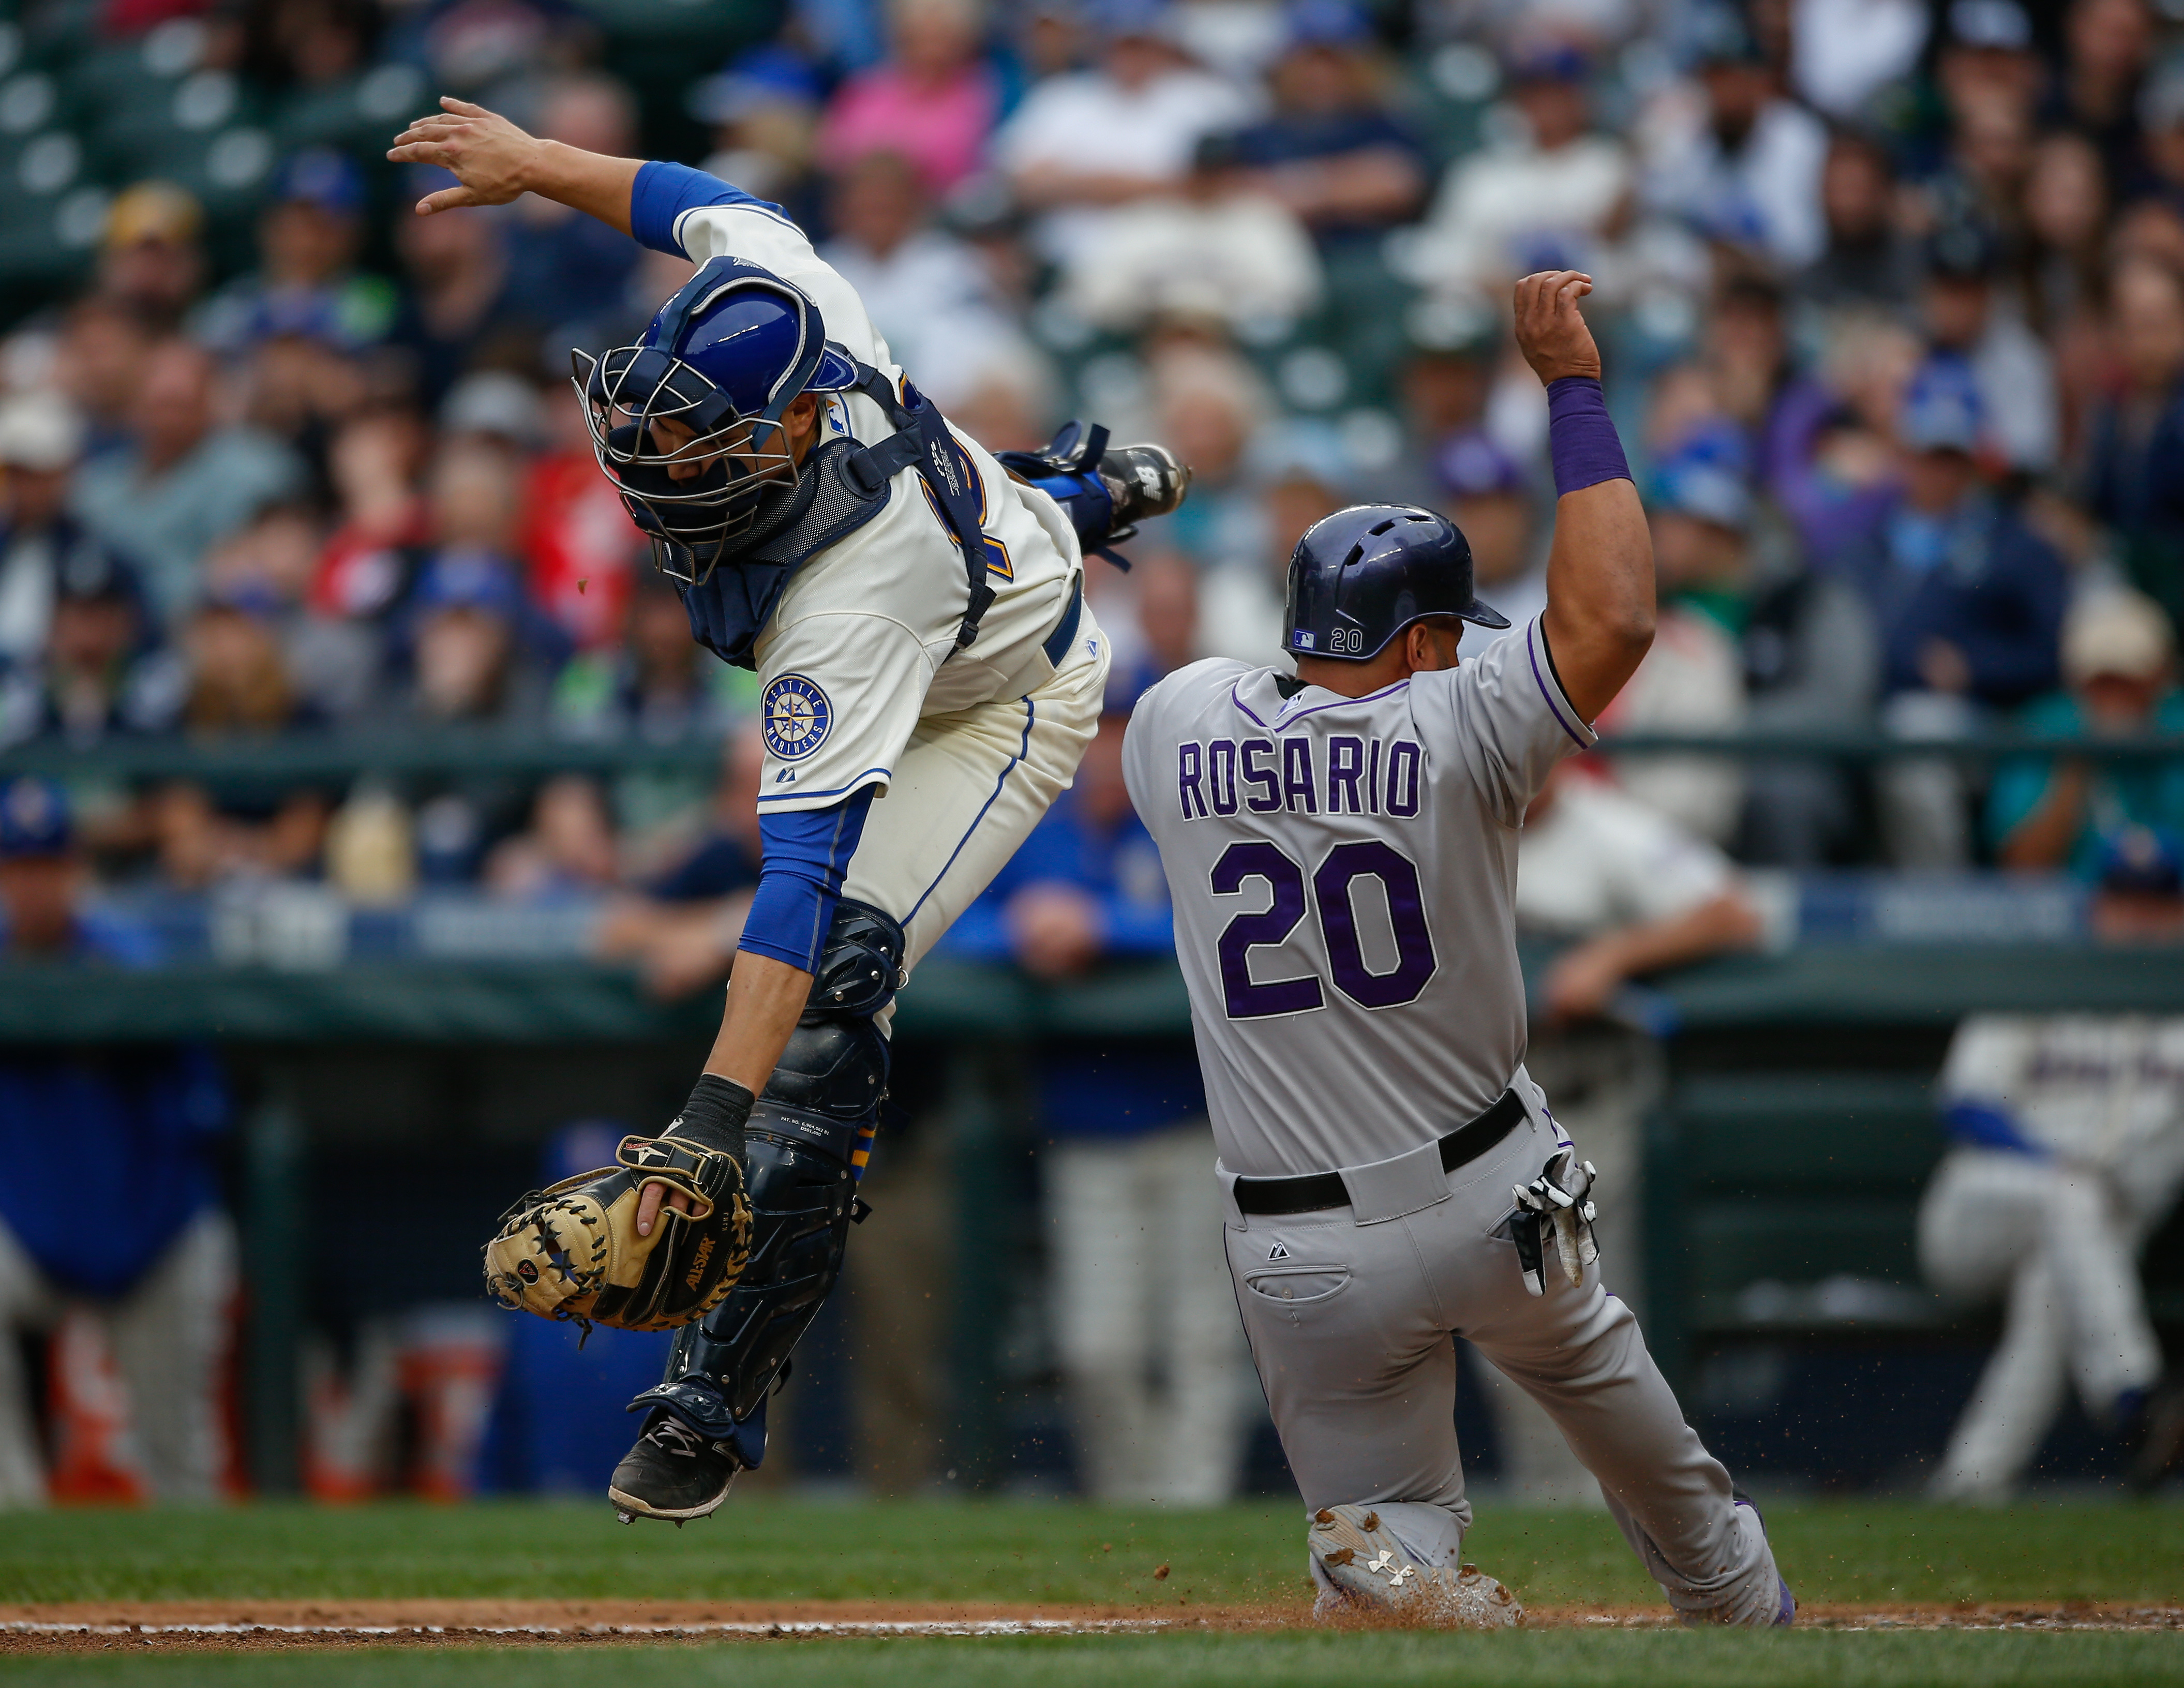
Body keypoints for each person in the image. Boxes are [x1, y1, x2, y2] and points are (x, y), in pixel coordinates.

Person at [388, 92, 1187, 1521]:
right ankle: (1054, 497)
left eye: (699, 444)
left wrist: (706, 1120)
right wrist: (533, 165)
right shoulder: (789, 297)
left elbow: (795, 879)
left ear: (797, 417)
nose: (657, 460)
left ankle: (716, 1392)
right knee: (968, 530)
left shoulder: (845, 597)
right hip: (951, 562)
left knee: (836, 986)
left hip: (994, 695)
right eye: (658, 427)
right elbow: (688, 194)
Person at [1120, 271, 1793, 1626]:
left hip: (1291, 1239)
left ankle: (1400, 1569)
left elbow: (1272, 689)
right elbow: (1610, 621)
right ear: (1423, 635)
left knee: (1381, 1544)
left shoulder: (1173, 717)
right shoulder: (1453, 725)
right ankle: (1728, 1590)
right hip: (1490, 1190)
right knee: (1651, 1456)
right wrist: (1572, 391)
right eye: (1444, 632)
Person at [954, 705, 1252, 1504]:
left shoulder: (1193, 820)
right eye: (1100, 730)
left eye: (1128, 730)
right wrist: (1020, 930)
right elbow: (948, 926)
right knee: (1096, 1347)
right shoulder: (1036, 826)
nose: (1111, 749)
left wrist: (1104, 926)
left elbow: (1243, 918)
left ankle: (1196, 1512)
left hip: (1193, 1118)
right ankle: (1137, 1506)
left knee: (1201, 1338)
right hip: (1081, 1126)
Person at [0, 777, 234, 1504]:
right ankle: (17, 1519)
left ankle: (226, 1615)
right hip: (33, 1242)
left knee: (183, 1472)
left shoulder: (135, 962)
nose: (33, 884)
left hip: (154, 1237)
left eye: (47, 865)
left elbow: (207, 1109)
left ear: (75, 868)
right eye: (17, 867)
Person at [1920, 1005, 2184, 1501]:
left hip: (2092, 1238)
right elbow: (1967, 1104)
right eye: (2131, 918)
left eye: (2160, 919)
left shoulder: (2176, 1027)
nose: (2136, 925)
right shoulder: (2034, 987)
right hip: (1980, 1210)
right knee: (2072, 1195)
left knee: (2053, 1284)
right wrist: (2058, 1165)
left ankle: (1972, 1481)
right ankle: (2133, 1393)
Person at [1987, 589, 2184, 877]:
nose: (2116, 696)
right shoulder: (2044, 726)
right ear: (2076, 681)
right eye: (2102, 681)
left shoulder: (2177, 724)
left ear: (2160, 676)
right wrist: (2079, 766)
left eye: (2130, 679)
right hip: (2073, 913)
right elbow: (2022, 869)